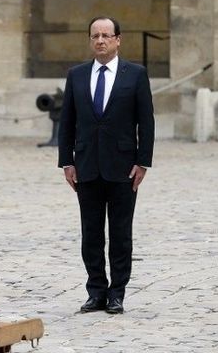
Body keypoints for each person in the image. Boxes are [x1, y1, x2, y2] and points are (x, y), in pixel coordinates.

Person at [57, 16, 154, 314]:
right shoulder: (76, 75)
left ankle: (117, 294)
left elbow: (146, 122)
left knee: (121, 234)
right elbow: (67, 121)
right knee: (91, 234)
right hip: (87, 166)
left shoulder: (135, 75)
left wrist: (143, 162)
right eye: (95, 36)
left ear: (118, 40)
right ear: (90, 40)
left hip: (124, 168)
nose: (100, 40)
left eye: (106, 35)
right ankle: (96, 291)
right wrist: (66, 161)